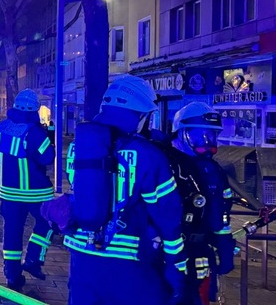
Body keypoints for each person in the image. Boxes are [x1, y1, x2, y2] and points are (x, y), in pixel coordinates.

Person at [65, 75, 187, 305]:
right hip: (128, 263)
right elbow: (168, 216)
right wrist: (176, 266)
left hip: (81, 259)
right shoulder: (147, 153)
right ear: (139, 115)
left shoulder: (77, 147)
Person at [166, 102, 235, 304]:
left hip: (201, 251)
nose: (208, 141)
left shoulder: (214, 170)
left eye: (212, 135)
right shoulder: (166, 165)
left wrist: (225, 245)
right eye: (200, 135)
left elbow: (221, 211)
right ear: (181, 133)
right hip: (169, 254)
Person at [0, 89, 56, 290]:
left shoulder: (2, 128)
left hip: (8, 193)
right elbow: (48, 157)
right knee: (49, 222)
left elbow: (0, 158)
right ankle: (33, 259)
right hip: (36, 192)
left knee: (12, 232)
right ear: (35, 110)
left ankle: (12, 275)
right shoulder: (34, 131)